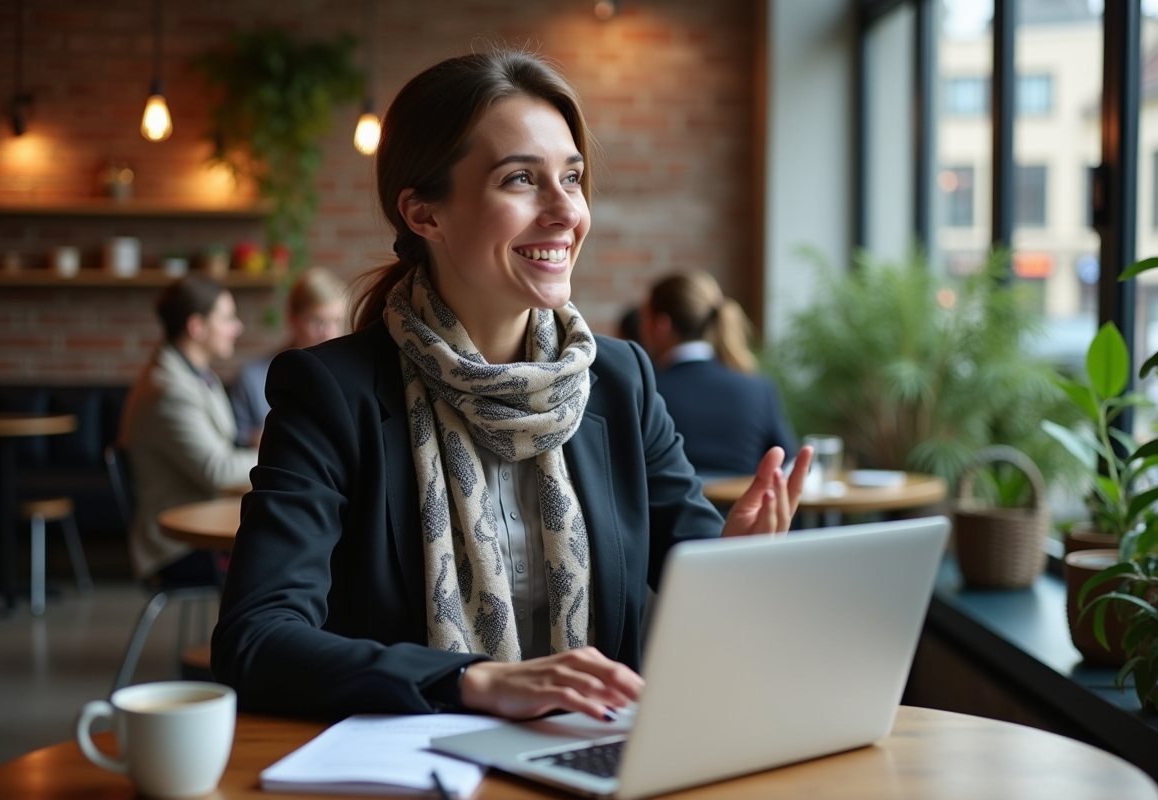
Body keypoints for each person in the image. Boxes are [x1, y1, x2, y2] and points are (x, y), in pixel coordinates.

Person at [211, 49, 812, 723]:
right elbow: (255, 640)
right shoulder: (332, 392)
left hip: (598, 760)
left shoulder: (620, 380)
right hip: (422, 768)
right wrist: (474, 682)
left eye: (573, 178)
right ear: (424, 214)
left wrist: (742, 569)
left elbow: (699, 582)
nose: (565, 213)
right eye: (522, 180)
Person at [119, 277, 258, 586]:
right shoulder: (169, 389)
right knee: (287, 552)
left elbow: (224, 445)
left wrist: (251, 442)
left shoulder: (196, 375)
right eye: (227, 318)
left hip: (204, 525)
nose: (237, 327)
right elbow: (217, 470)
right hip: (179, 547)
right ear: (197, 327)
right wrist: (277, 451)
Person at [642, 270, 797, 477]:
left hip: (668, 510)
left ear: (662, 326)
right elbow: (789, 466)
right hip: (742, 508)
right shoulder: (758, 389)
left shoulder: (645, 392)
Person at [230, 267, 348, 447]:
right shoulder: (252, 378)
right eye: (318, 321)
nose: (329, 332)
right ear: (292, 319)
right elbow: (235, 447)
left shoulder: (352, 377)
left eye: (337, 321)